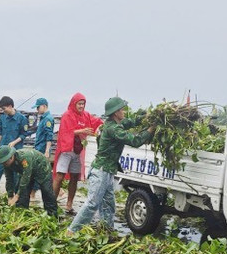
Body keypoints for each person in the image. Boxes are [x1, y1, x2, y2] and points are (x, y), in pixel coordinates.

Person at [67, 96, 154, 234]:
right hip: (101, 171)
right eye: (121, 110)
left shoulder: (111, 124)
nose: (124, 112)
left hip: (107, 171)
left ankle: (107, 232)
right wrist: (150, 129)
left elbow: (130, 122)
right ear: (115, 113)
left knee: (108, 205)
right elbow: (135, 140)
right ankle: (71, 231)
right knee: (92, 204)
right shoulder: (113, 129)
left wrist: (146, 117)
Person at [53, 93, 103, 215]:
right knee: (59, 176)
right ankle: (52, 203)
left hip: (78, 151)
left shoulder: (86, 115)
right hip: (66, 151)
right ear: (74, 103)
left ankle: (69, 205)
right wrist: (82, 131)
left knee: (75, 178)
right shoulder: (67, 115)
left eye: (83, 104)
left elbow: (97, 122)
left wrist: (104, 124)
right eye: (79, 104)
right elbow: (64, 132)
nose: (81, 106)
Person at [0, 145, 58, 217]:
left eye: (5, 162)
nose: (4, 164)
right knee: (22, 194)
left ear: (11, 157)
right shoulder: (6, 164)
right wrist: (10, 196)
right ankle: (22, 214)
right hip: (25, 172)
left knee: (47, 192)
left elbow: (26, 177)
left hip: (41, 169)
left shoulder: (24, 158)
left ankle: (52, 216)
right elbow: (9, 179)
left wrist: (17, 196)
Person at [0, 96, 30, 195]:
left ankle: (13, 196)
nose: (2, 111)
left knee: (14, 176)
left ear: (10, 106)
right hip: (2, 150)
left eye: (4, 109)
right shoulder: (2, 118)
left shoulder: (22, 119)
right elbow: (0, 133)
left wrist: (14, 142)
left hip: (15, 152)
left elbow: (23, 135)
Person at [30, 98, 54, 200]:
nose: (37, 110)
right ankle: (33, 194)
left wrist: (47, 151)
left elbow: (49, 136)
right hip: (38, 147)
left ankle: (33, 194)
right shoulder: (43, 118)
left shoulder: (48, 119)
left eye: (38, 107)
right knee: (40, 172)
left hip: (42, 149)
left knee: (38, 172)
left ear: (44, 106)